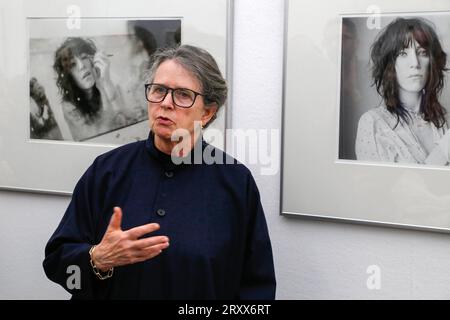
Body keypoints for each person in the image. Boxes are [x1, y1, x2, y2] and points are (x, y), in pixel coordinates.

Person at [43, 45, 276, 299]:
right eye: (159, 90)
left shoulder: (236, 182)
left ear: (207, 112)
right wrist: (97, 260)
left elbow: (257, 289)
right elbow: (57, 265)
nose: (165, 103)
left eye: (183, 95)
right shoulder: (106, 171)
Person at [355, 17, 450, 165]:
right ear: (391, 64)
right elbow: (379, 187)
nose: (415, 63)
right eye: (403, 54)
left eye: (422, 53)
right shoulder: (373, 123)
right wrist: (445, 149)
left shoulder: (443, 122)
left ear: (432, 62)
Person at [53, 37, 130, 141]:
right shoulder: (69, 106)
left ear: (93, 60)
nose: (81, 66)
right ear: (68, 76)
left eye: (84, 57)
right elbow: (97, 137)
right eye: (73, 64)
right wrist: (103, 88)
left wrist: (106, 83)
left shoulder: (109, 84)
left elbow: (127, 122)